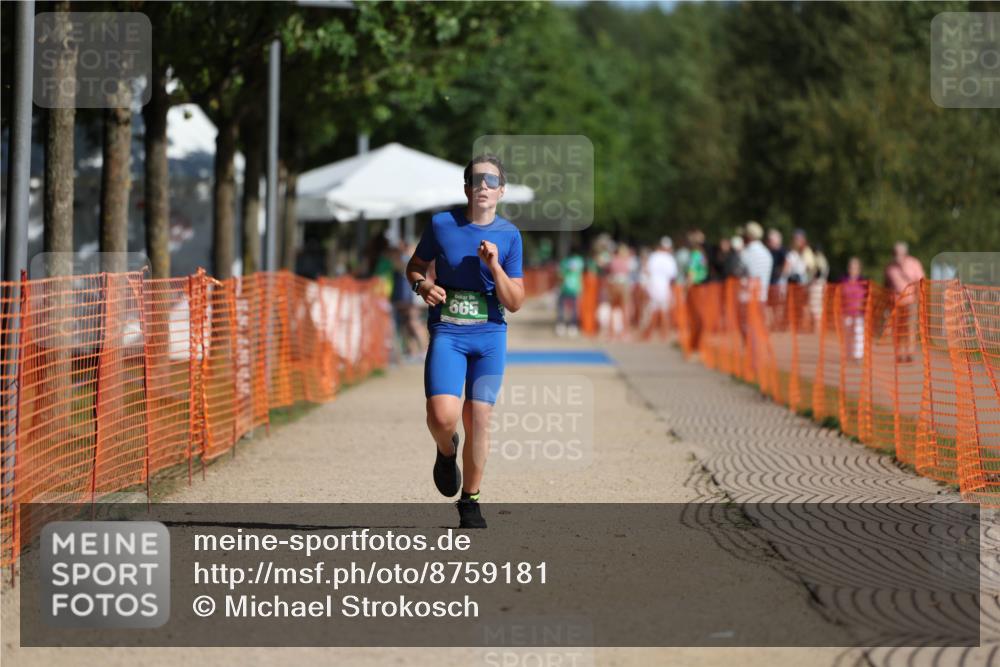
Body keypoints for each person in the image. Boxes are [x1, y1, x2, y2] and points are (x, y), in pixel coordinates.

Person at [405, 154, 525, 528]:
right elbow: (414, 267)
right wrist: (422, 286)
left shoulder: (510, 235)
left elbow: (515, 301)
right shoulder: (442, 224)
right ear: (466, 188)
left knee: (479, 418)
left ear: (502, 190)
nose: (483, 186)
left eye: (492, 181)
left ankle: (470, 501)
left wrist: (495, 266)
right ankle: (446, 450)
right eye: (476, 180)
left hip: (490, 336)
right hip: (449, 332)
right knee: (442, 417)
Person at [884, 241, 925, 362]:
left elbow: (921, 282)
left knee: (910, 328)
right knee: (897, 329)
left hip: (911, 301)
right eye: (896, 253)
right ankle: (899, 353)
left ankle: (909, 353)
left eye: (901, 253)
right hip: (895, 303)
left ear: (906, 253)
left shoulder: (914, 263)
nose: (898, 255)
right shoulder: (889, 268)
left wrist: (919, 298)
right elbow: (886, 285)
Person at [640, 236, 678, 340]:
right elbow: (673, 276)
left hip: (653, 287)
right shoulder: (669, 258)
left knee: (653, 311)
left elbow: (647, 271)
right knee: (664, 312)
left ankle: (649, 334)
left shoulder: (654, 256)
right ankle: (664, 334)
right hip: (664, 288)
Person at [841, 257, 867, 362]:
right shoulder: (843, 281)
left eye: (855, 267)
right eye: (851, 267)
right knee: (847, 334)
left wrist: (864, 310)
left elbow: (867, 298)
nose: (852, 270)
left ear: (859, 269)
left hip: (859, 313)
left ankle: (858, 356)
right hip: (846, 312)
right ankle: (848, 354)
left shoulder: (863, 282)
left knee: (858, 333)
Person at [740, 222, 773, 303]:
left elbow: (737, 273)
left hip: (747, 299)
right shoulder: (767, 253)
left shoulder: (745, 253)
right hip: (762, 298)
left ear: (748, 237)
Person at [556, 245, 585, 337]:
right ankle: (573, 326)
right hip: (576, 287)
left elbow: (560, 274)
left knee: (562, 308)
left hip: (565, 287)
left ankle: (561, 325)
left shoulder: (565, 261)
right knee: (574, 309)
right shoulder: (580, 261)